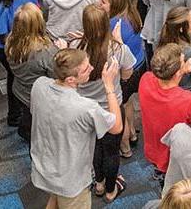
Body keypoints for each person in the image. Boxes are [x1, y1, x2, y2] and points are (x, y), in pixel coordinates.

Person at [30, 49, 123, 208]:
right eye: (86, 68)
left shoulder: (39, 84)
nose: (92, 69)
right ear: (71, 79)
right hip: (71, 181)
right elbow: (116, 127)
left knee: (55, 200)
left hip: (44, 168)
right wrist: (109, 86)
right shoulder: (85, 107)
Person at [71, 4, 136, 202]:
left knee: (94, 147)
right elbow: (128, 74)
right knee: (111, 151)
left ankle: (98, 182)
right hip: (111, 108)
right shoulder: (117, 49)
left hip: (85, 111)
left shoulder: (75, 48)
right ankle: (110, 189)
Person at [138, 43, 191, 181]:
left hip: (153, 148)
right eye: (183, 60)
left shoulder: (145, 79)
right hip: (174, 156)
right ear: (176, 72)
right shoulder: (185, 98)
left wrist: (182, 70)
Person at [0, 0, 40, 126]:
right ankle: (14, 115)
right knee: (15, 77)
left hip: (27, 41)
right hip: (11, 48)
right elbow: (4, 36)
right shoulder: (3, 6)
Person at [99, 0, 145, 156]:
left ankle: (125, 147)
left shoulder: (112, 25)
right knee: (128, 103)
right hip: (139, 65)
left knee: (120, 110)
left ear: (114, 4)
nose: (99, 3)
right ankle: (132, 133)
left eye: (103, 1)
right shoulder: (132, 14)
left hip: (126, 72)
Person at [5, 3, 62, 143]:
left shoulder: (10, 40)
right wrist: (60, 52)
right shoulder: (44, 51)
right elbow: (57, 75)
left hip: (20, 89)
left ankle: (24, 130)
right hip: (39, 97)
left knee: (27, 115)